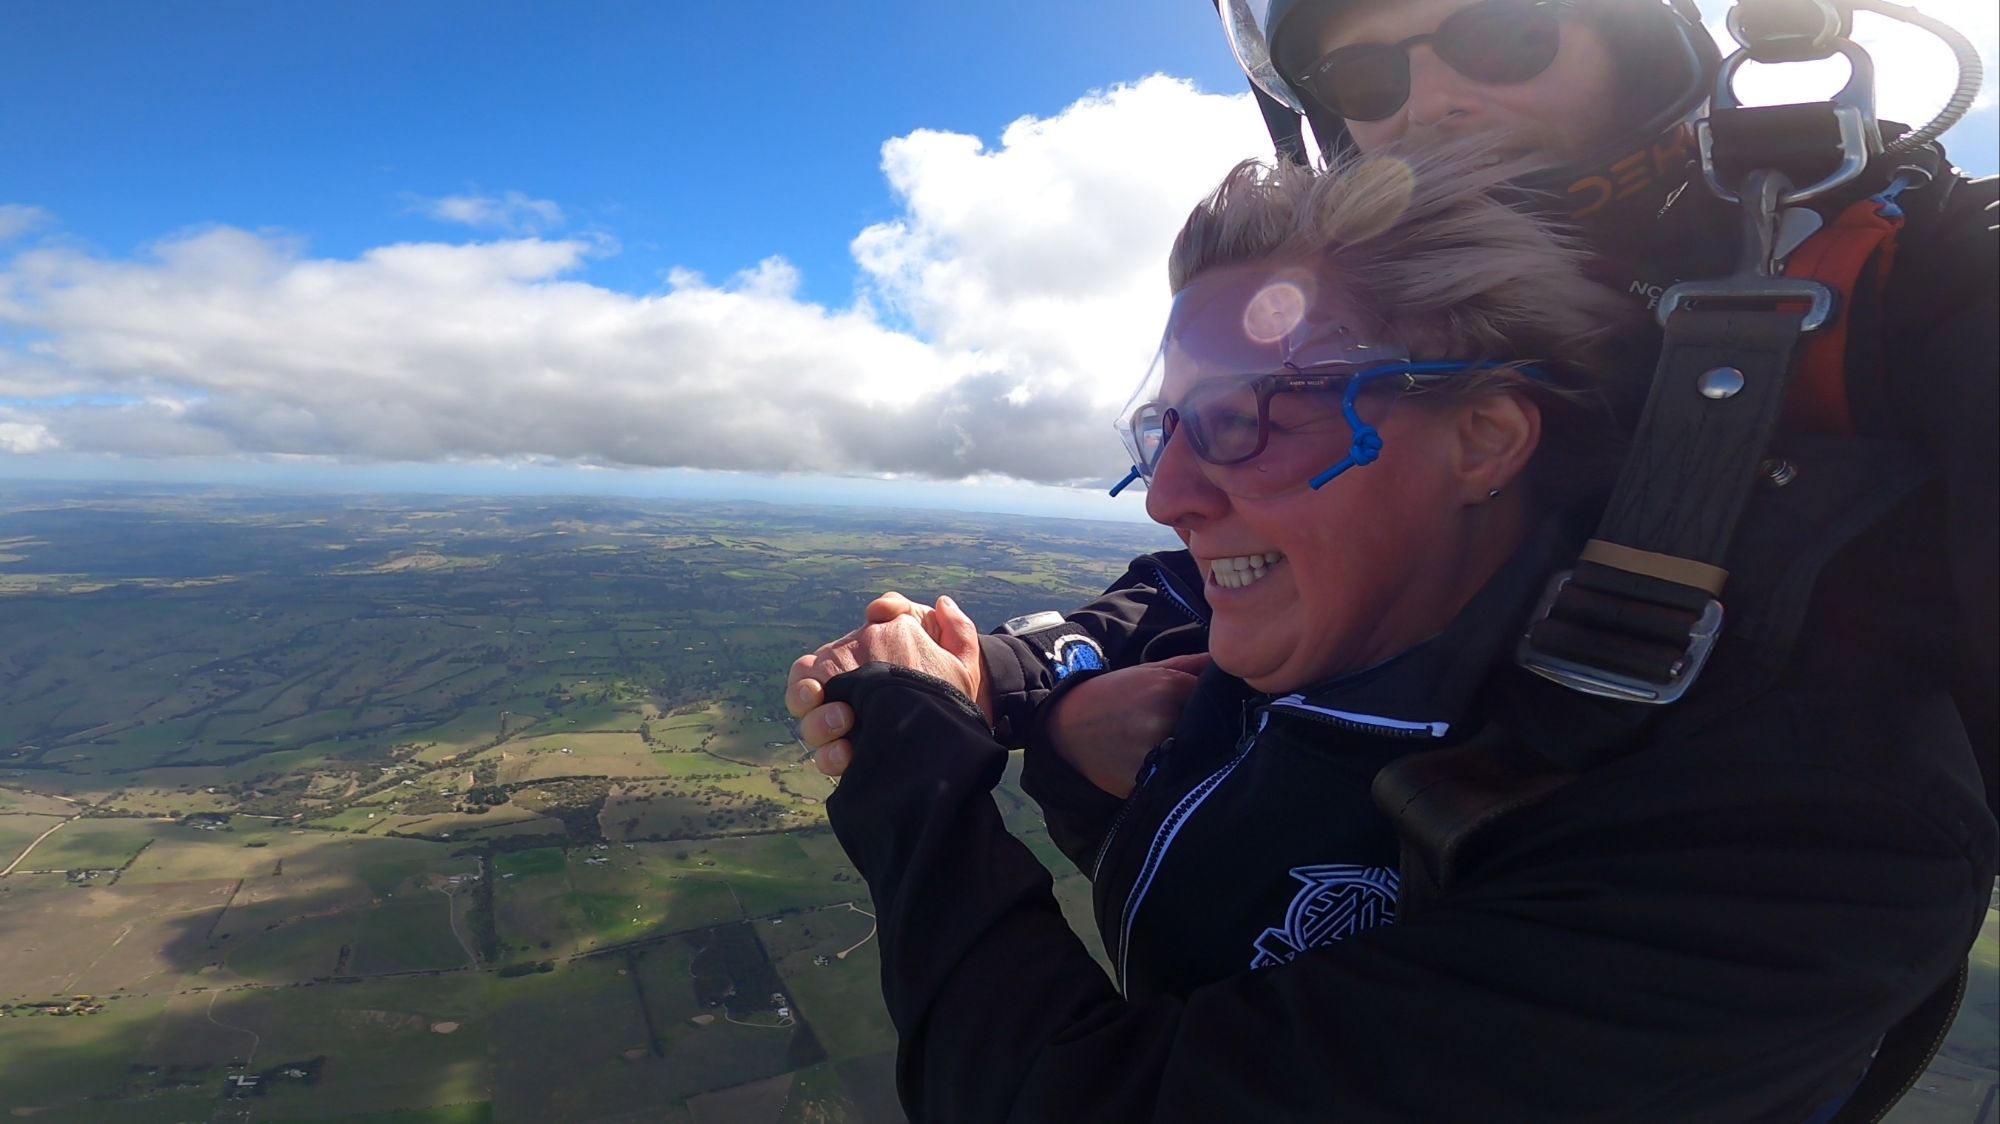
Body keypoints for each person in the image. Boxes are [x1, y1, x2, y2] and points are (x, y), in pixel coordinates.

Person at [789, 147, 1996, 1120]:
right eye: (1165, 430)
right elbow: (1164, 587)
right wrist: (1008, 680)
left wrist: (922, 777)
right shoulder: (1384, 584)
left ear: (1482, 440)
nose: (1172, 491)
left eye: (1251, 419)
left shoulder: (1779, 831)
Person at [790, 0, 1998, 818]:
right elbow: (1285, 538)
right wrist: (1022, 670)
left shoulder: (1920, 273)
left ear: (1635, 44)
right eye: (1368, 73)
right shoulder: (1405, 321)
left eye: (1504, 33)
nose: (1432, 99)